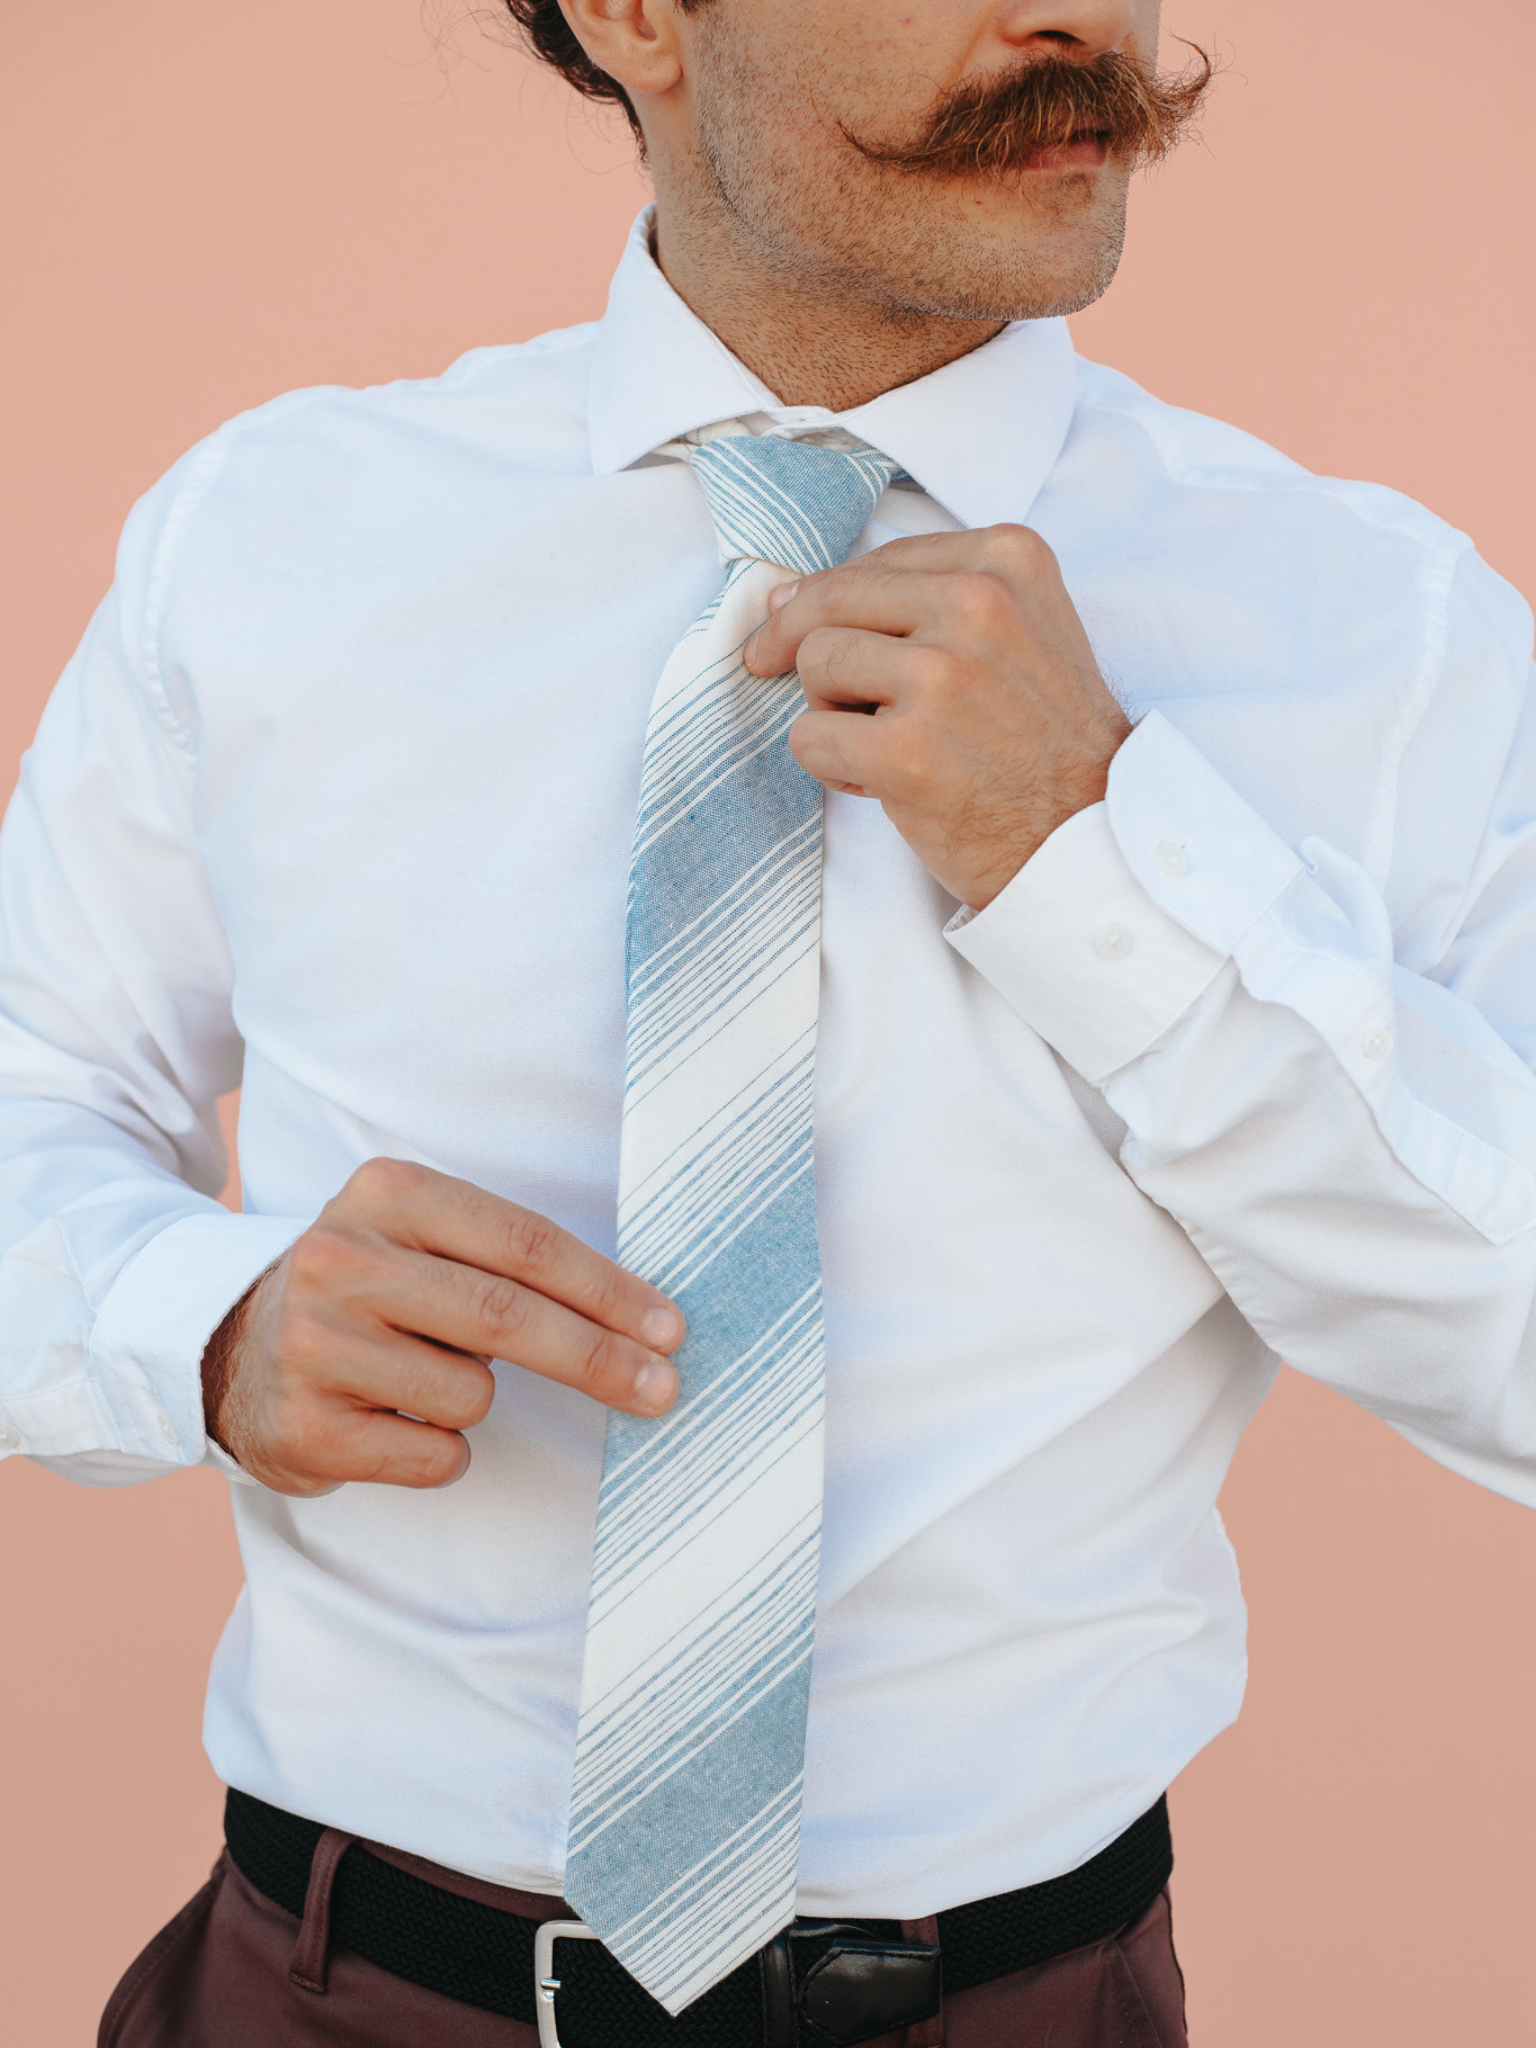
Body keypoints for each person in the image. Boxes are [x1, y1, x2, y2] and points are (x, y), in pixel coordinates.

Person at [3, 0, 1533, 2041]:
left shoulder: (1378, 634)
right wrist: (190, 1317)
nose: (1090, 18)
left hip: (1017, 2000)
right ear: (643, 14)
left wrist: (1099, 865)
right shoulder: (273, 544)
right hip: (323, 1993)